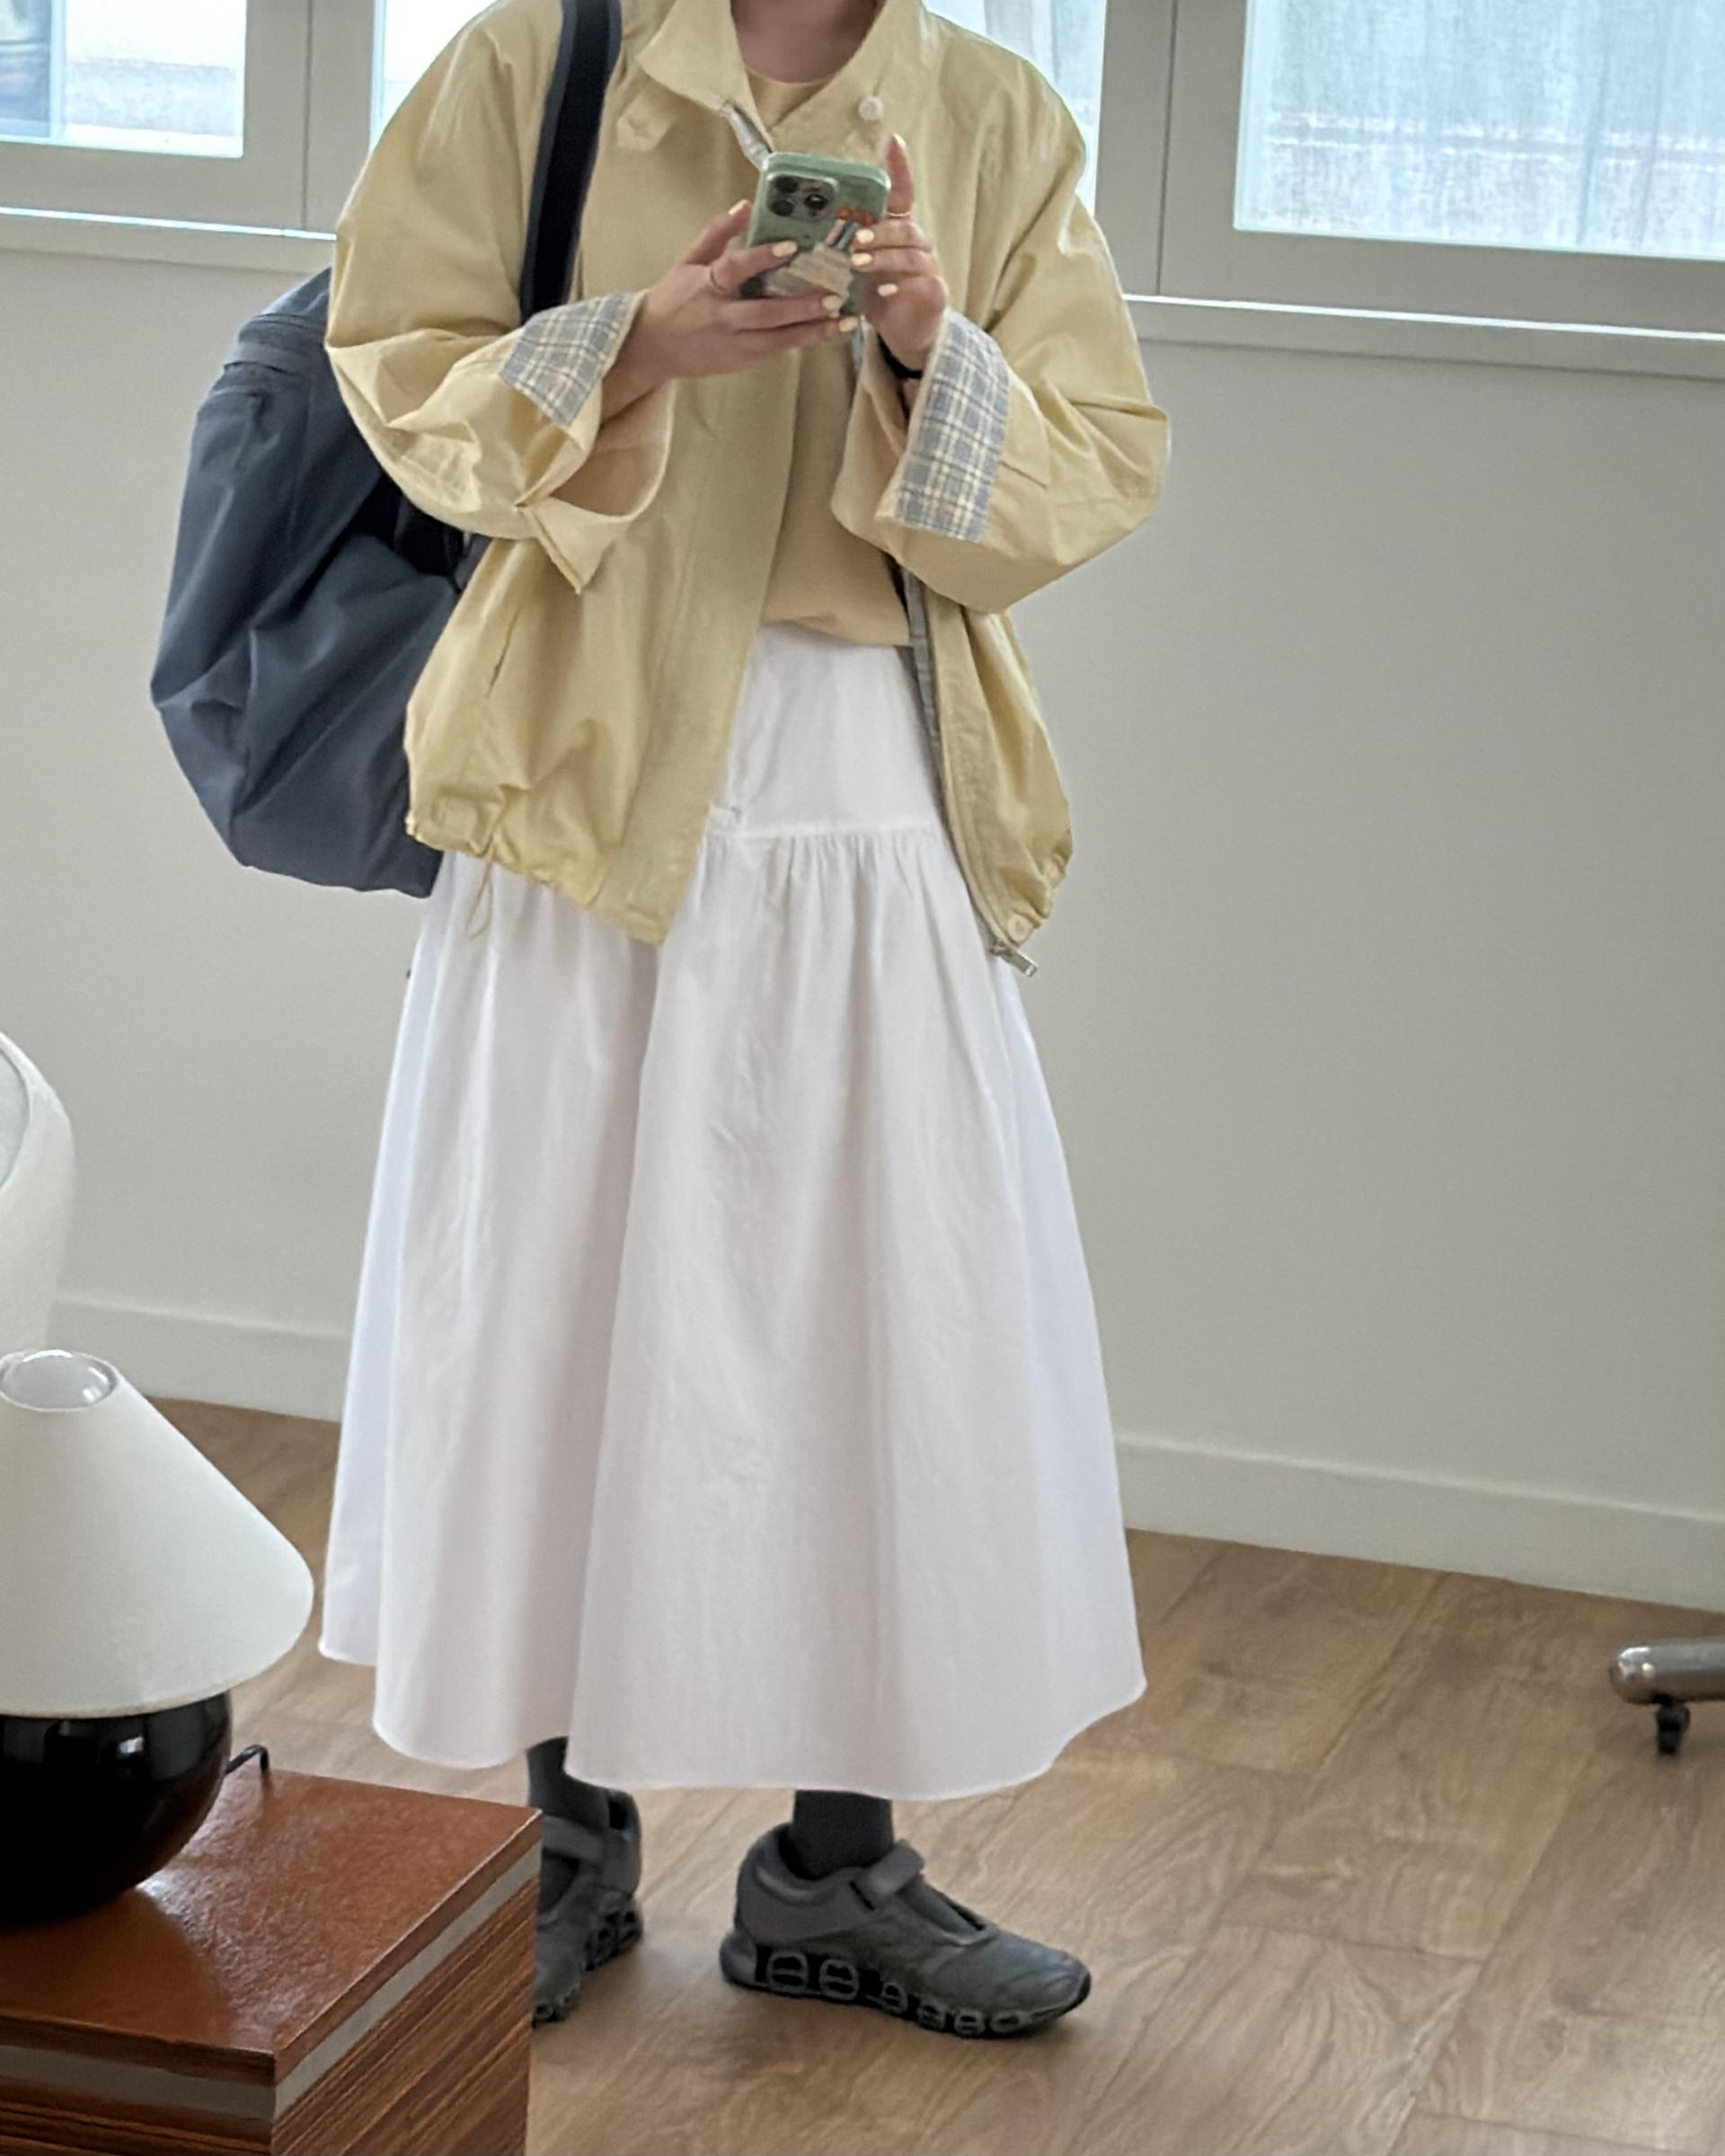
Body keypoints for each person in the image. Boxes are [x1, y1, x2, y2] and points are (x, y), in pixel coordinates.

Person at [319, 0, 1171, 2040]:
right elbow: (395, 367)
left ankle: (837, 1871)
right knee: (555, 1293)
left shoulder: (993, 113)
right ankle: (558, 1846)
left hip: (866, 782)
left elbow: (1094, 468)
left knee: (876, 1311)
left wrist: (925, 353)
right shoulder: (533, 62)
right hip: (584, 768)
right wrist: (633, 345)